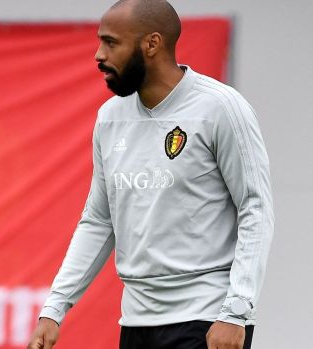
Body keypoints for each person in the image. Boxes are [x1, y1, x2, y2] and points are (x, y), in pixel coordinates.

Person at [26, 0, 274, 348]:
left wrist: (235, 311)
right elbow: (98, 220)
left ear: (152, 44)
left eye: (111, 42)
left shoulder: (220, 108)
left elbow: (256, 208)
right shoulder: (110, 117)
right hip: (137, 322)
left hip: (208, 320)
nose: (98, 54)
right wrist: (54, 308)